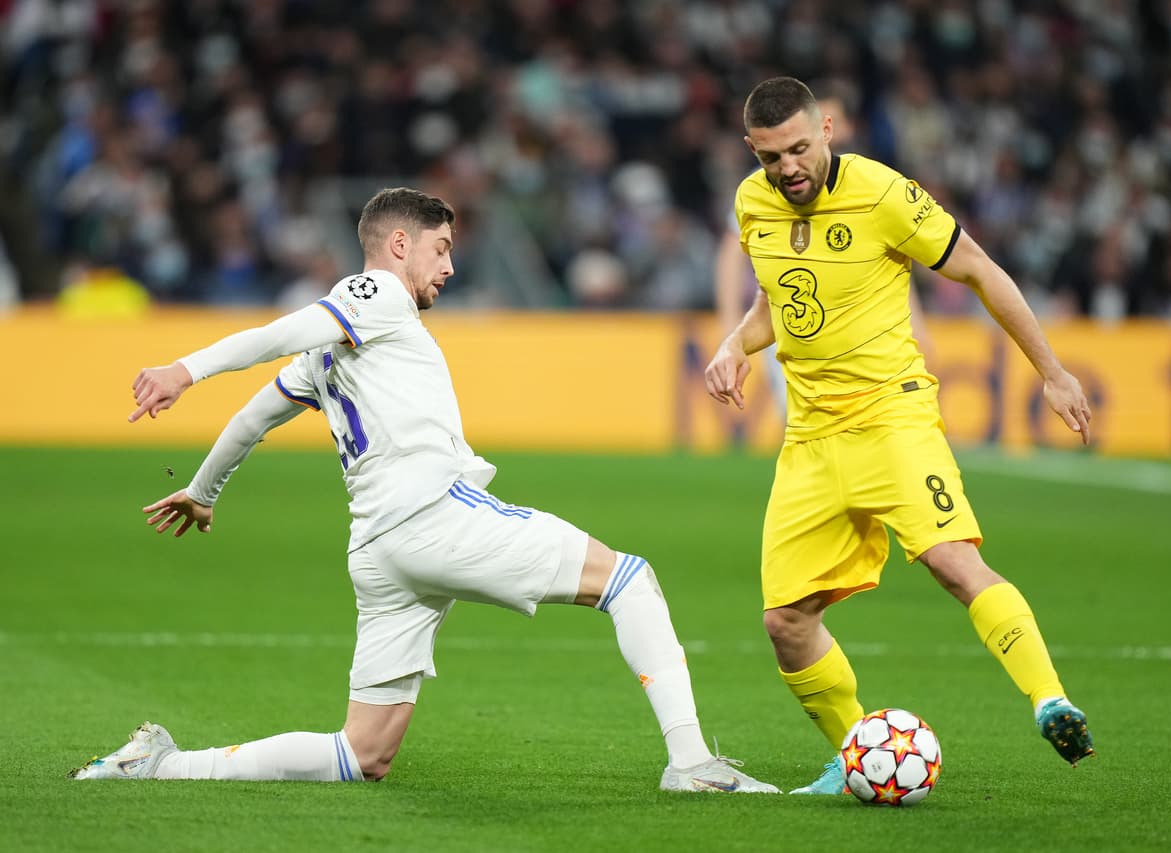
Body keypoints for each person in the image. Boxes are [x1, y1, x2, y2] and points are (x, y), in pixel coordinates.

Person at [71, 187, 777, 794]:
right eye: (440, 248)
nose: (448, 264)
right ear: (399, 243)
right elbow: (279, 331)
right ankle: (693, 762)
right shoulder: (373, 292)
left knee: (361, 753)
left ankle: (162, 765)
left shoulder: (337, 350)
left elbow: (256, 417)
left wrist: (203, 487)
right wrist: (183, 370)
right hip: (436, 516)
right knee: (630, 579)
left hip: (380, 551)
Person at [704, 78, 1095, 795]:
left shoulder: (884, 194)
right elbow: (778, 300)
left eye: (799, 149)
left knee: (952, 560)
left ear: (826, 129)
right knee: (786, 621)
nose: (788, 168)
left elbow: (977, 267)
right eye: (770, 157)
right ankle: (854, 754)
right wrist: (736, 343)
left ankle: (1049, 698)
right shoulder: (751, 203)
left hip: (892, 417)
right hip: (812, 438)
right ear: (751, 151)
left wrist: (1054, 371)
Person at [713, 79, 934, 418]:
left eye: (833, 120)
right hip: (798, 331)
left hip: (867, 343)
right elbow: (733, 252)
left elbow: (894, 263)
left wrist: (917, 325)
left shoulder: (873, 185)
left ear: (837, 127)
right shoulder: (766, 186)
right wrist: (732, 332)